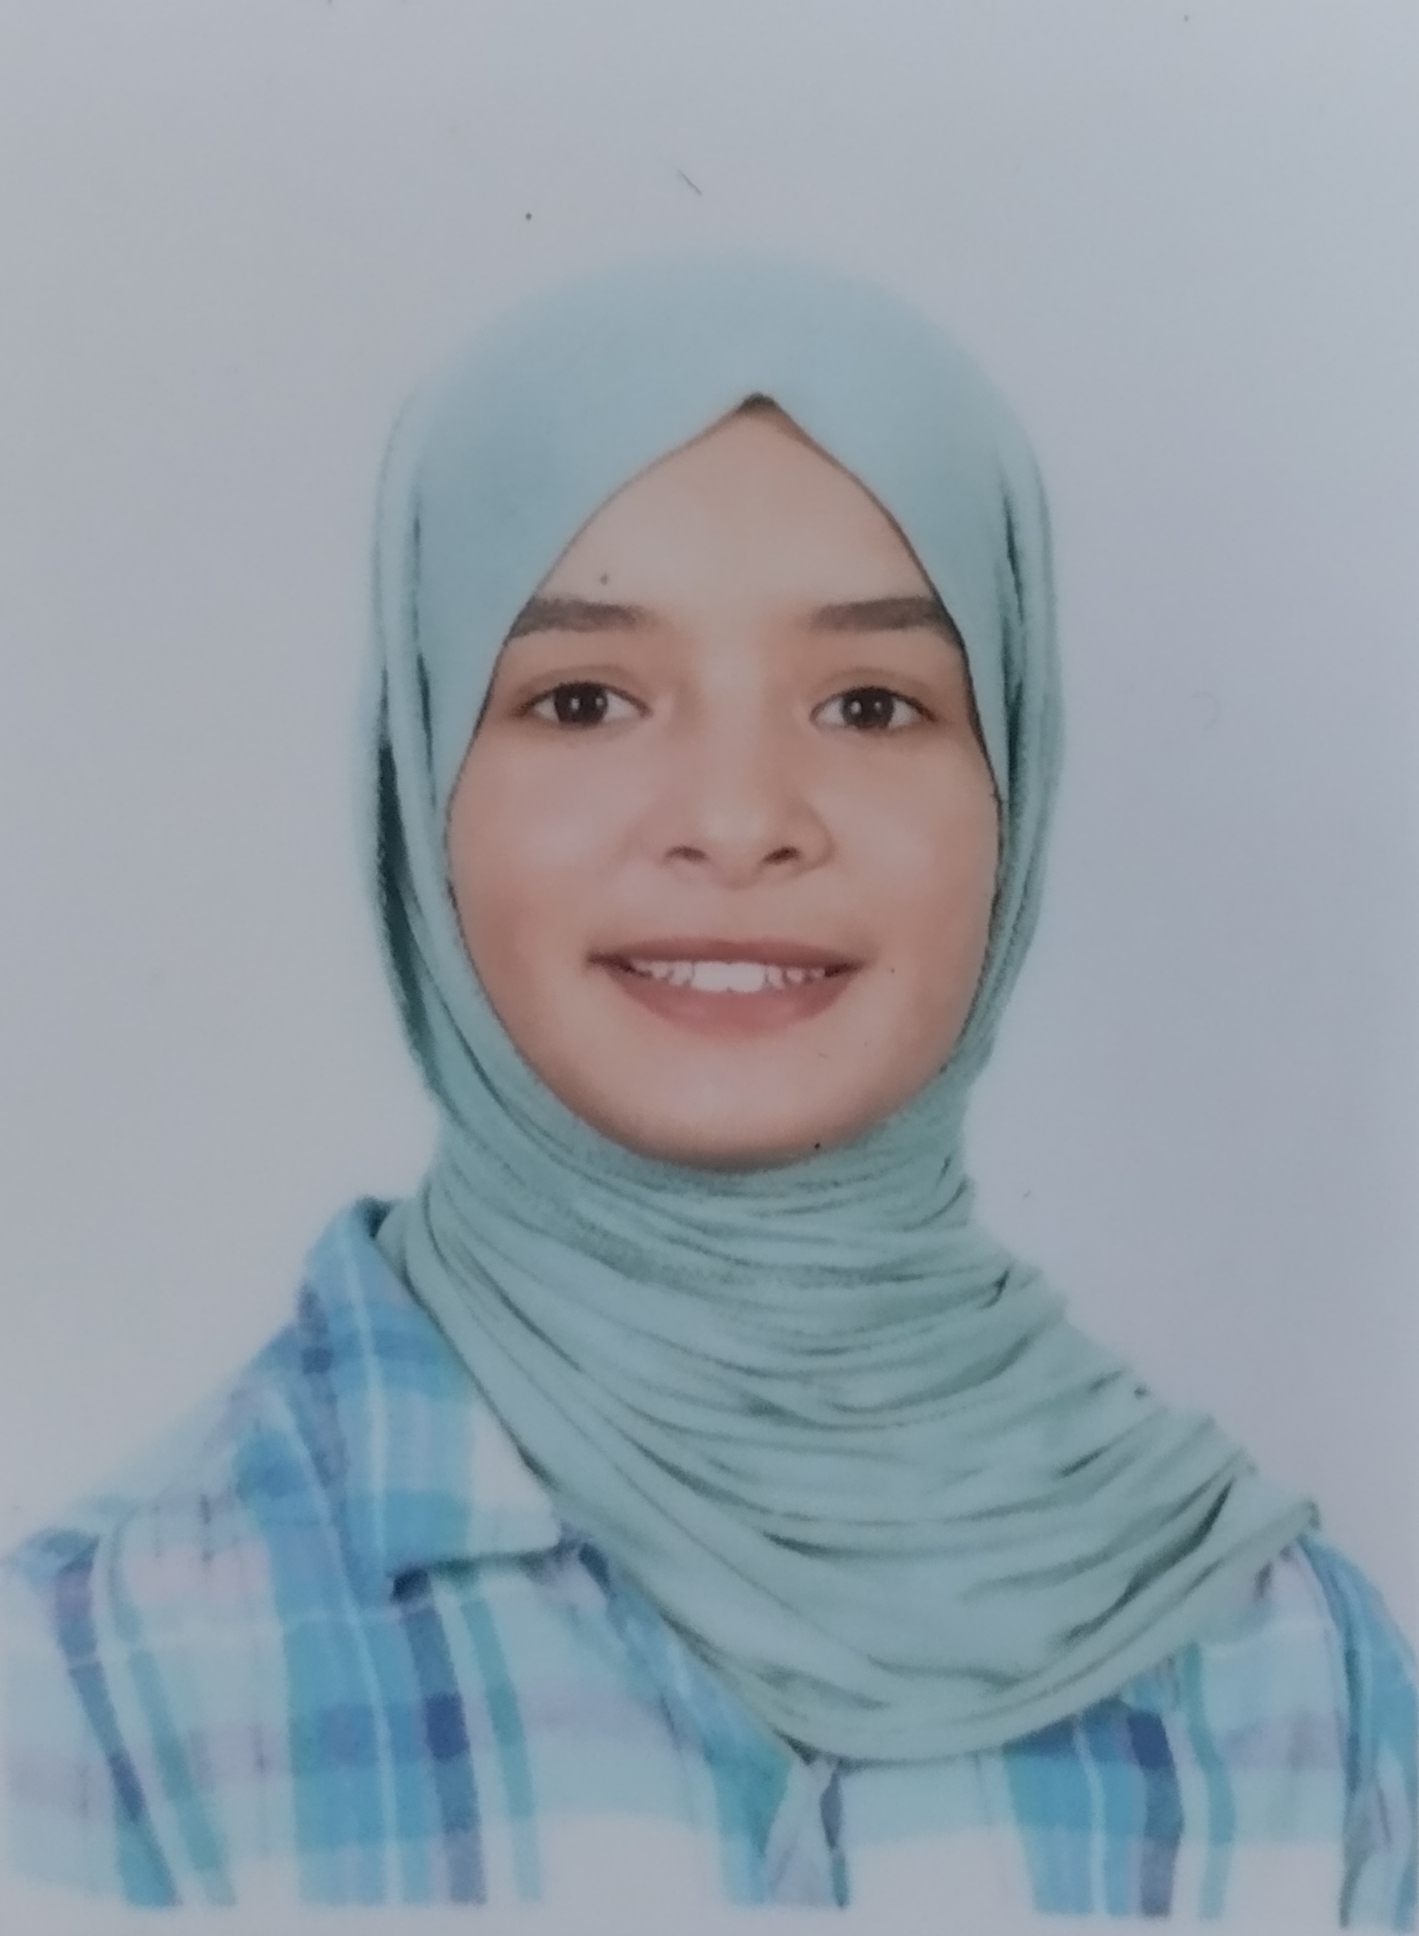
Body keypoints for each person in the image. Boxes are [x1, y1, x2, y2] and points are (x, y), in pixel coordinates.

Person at [4, 257, 1414, 1923]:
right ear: (422, 779)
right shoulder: (99, 1691)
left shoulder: (1290, 1673)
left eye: (871, 703)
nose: (738, 821)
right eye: (583, 700)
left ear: (1013, 787)